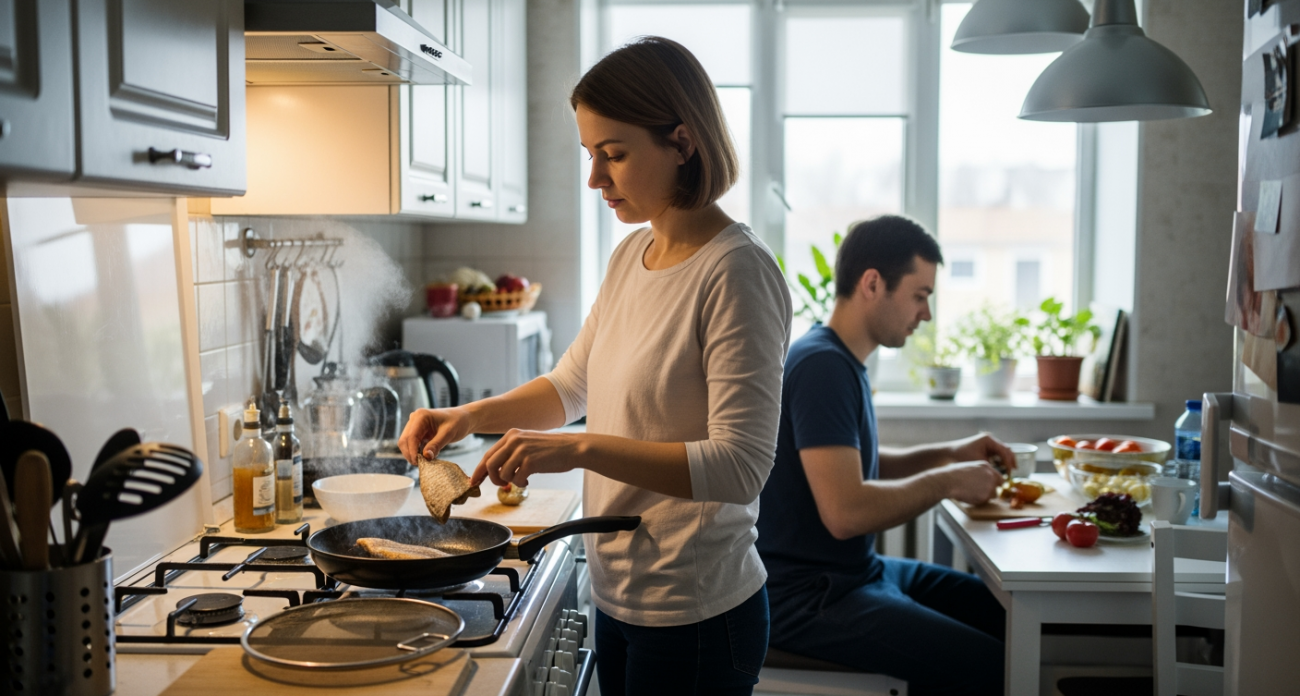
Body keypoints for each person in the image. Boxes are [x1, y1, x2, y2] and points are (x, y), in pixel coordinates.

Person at [399, 37, 792, 696]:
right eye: (591, 155)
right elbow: (570, 386)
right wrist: (467, 415)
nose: (596, 179)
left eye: (615, 154)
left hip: (696, 613)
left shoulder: (735, 272)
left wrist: (578, 449)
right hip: (619, 593)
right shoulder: (631, 257)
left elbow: (740, 465)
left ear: (682, 143)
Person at [756, 215, 1010, 696]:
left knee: (1002, 611)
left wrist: (948, 454)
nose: (926, 314)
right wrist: (948, 481)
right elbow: (846, 512)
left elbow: (853, 467)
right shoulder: (823, 366)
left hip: (854, 575)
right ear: (872, 283)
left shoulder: (837, 358)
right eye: (920, 295)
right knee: (996, 666)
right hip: (809, 596)